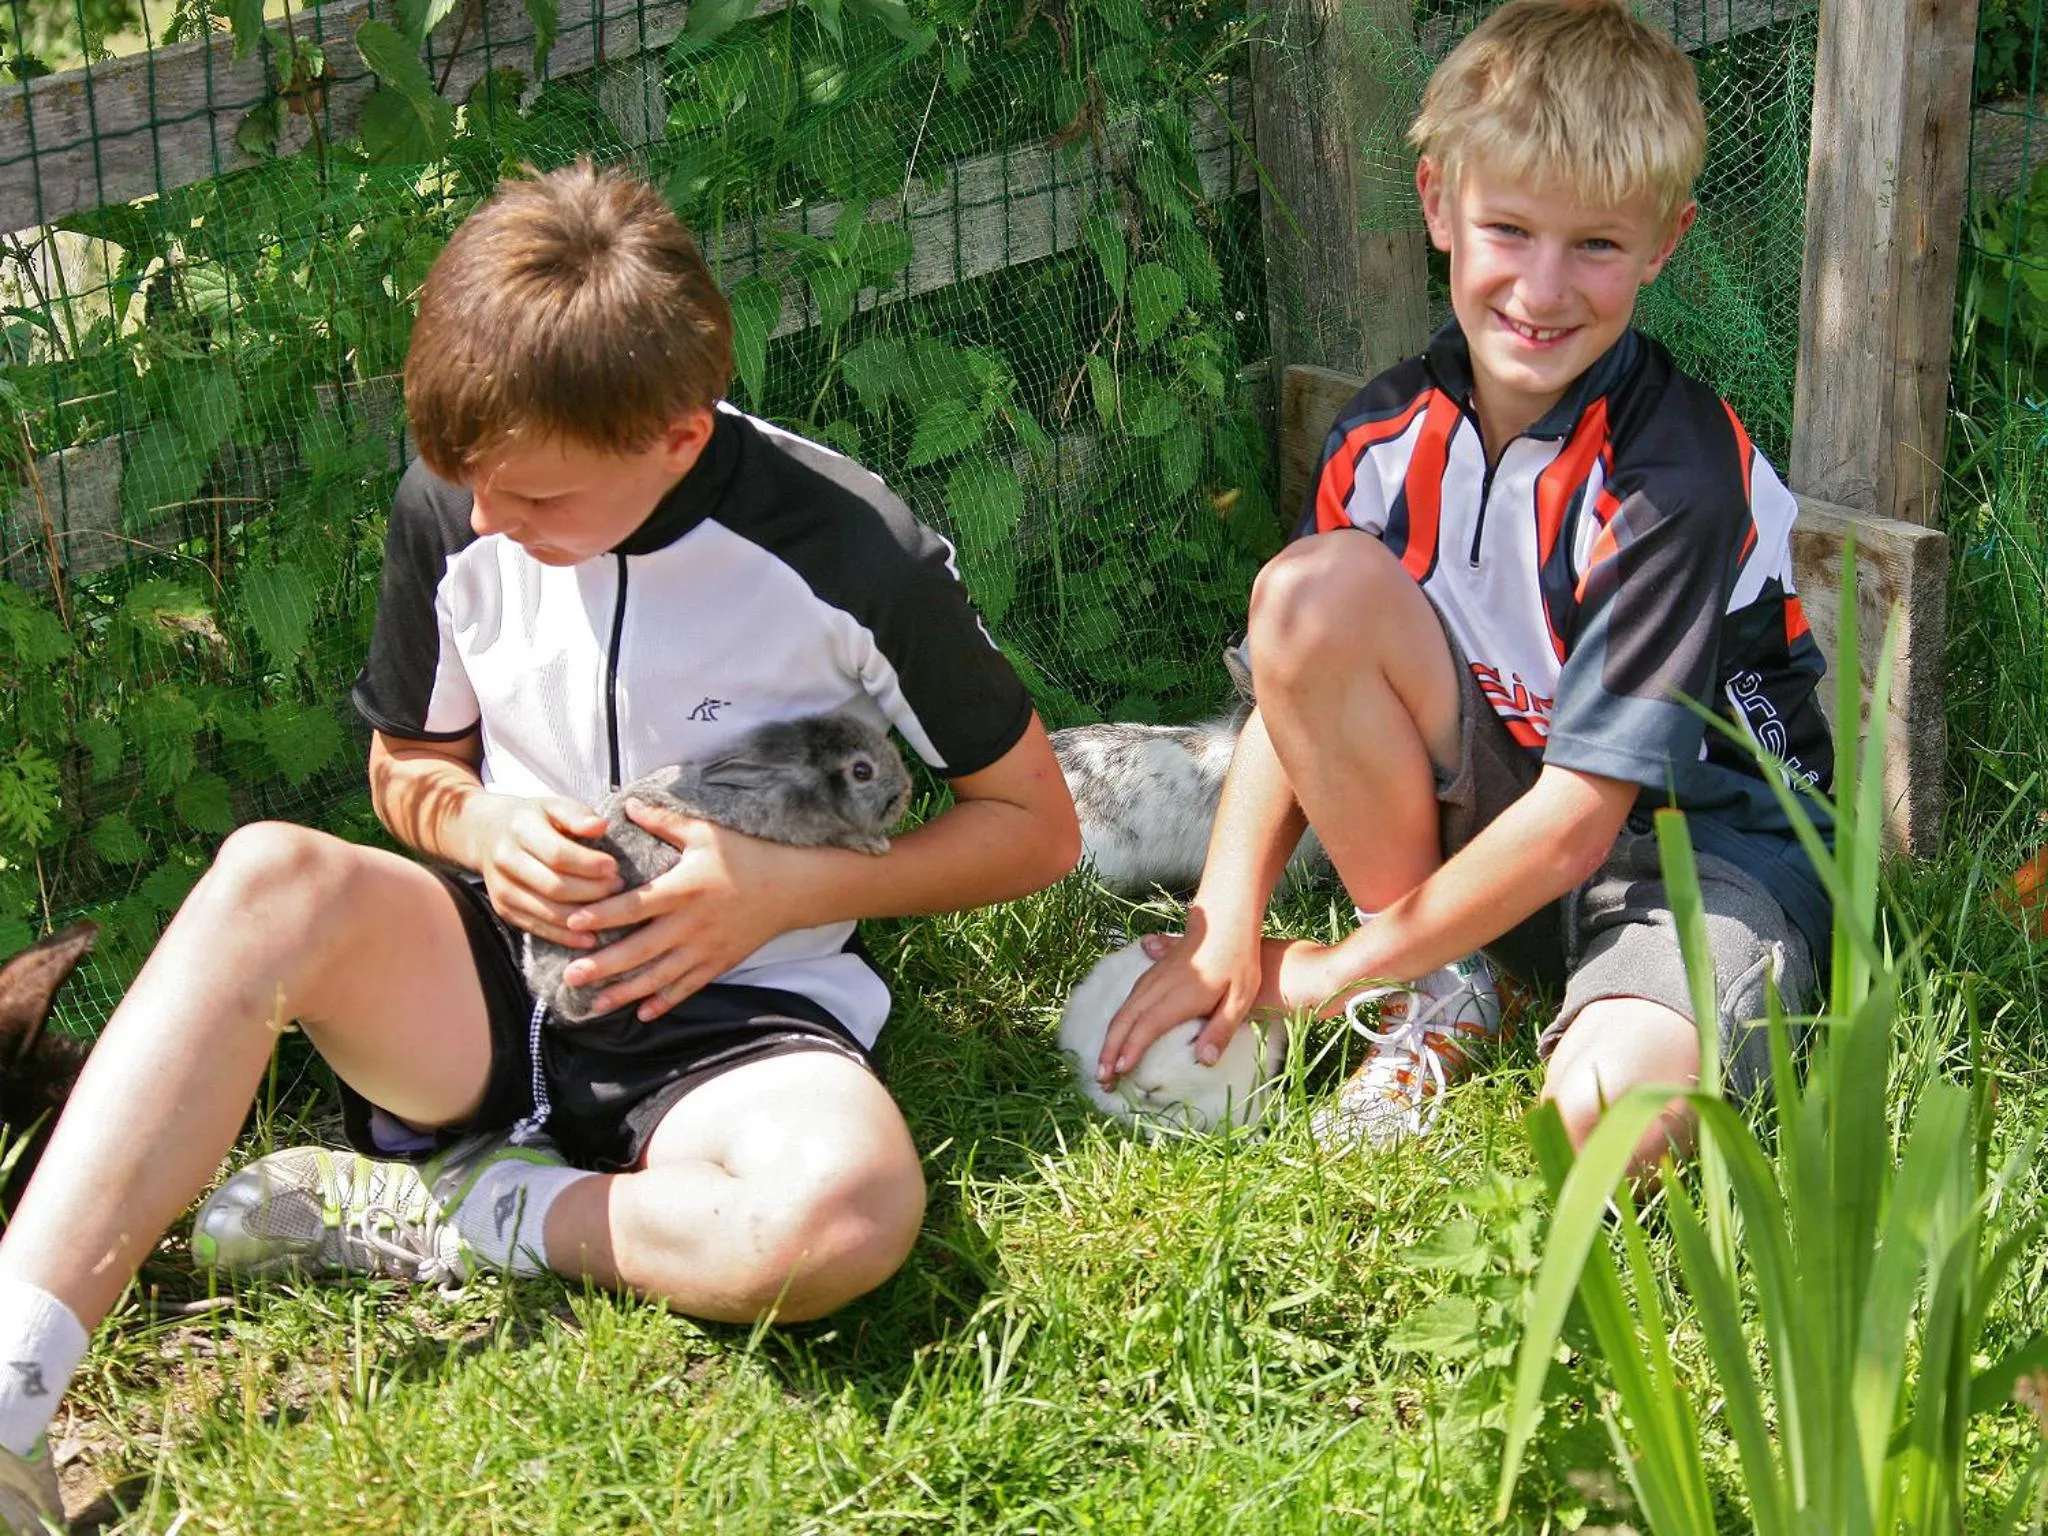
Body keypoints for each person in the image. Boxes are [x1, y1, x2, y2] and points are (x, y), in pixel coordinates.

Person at [0, 162, 1080, 1529]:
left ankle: (464, 1215)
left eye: (538, 503)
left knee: (848, 1217)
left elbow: (1036, 829)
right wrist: (479, 820)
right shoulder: (458, 500)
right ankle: (8, 1396)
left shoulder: (851, 552)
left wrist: (776, 893)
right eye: (470, 489)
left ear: (678, 437)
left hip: (732, 1021)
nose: (489, 525)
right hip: (480, 978)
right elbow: (408, 766)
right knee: (270, 871)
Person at [1099, 0, 1832, 1165]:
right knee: (1309, 591)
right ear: (1439, 205)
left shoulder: (1672, 472)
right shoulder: (1385, 430)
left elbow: (1576, 823)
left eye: (1594, 244)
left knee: (1603, 1130)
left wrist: (1331, 968)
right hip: (1504, 824)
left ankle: (1590, 1004)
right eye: (1508, 229)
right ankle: (1445, 987)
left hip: (1700, 858)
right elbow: (1284, 710)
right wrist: (1222, 926)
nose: (1541, 290)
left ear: (1664, 239)